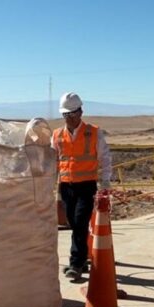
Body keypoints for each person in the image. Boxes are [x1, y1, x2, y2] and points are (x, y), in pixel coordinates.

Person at [52, 92, 112, 280]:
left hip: (86, 186)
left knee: (79, 222)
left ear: (80, 112)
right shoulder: (57, 135)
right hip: (66, 186)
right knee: (74, 223)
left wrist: (105, 182)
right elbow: (53, 160)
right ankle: (83, 259)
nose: (68, 118)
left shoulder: (93, 132)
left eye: (71, 114)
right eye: (65, 115)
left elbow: (105, 158)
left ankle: (75, 263)